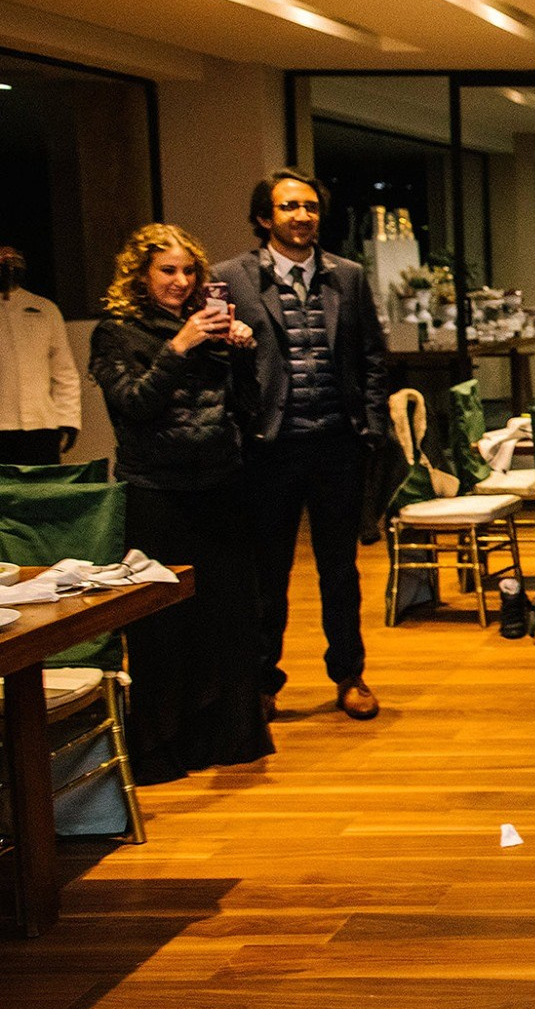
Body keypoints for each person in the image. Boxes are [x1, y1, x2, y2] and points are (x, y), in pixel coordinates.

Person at [88, 224, 274, 783]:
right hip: (157, 492)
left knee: (229, 619)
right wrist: (180, 346)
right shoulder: (115, 333)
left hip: (221, 485)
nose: (181, 280)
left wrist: (240, 353)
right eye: (168, 270)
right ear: (142, 275)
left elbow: (248, 406)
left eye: (189, 270)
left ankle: (226, 737)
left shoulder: (208, 326)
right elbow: (135, 404)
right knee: (163, 627)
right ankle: (161, 747)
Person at [216, 170, 389, 722]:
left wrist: (374, 425)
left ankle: (350, 676)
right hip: (269, 447)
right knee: (268, 573)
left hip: (337, 443)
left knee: (340, 571)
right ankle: (263, 681)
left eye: (311, 207)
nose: (302, 216)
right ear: (265, 216)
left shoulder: (349, 276)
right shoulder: (230, 279)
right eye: (289, 207)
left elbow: (373, 356)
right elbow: (217, 366)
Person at [0, 245, 81, 466]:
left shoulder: (44, 309)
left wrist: (69, 419)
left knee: (43, 493)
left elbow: (64, 371)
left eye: (13, 262)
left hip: (41, 424)